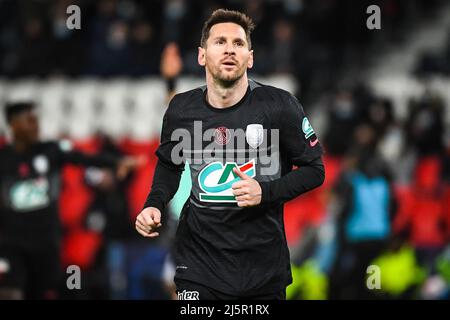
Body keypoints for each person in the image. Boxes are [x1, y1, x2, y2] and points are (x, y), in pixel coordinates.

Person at [135, 9, 325, 300]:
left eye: (238, 43)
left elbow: (315, 170)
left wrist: (266, 191)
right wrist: (154, 204)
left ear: (250, 57)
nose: (229, 49)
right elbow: (169, 167)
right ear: (202, 56)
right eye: (220, 41)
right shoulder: (182, 110)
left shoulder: (280, 106)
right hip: (198, 266)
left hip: (262, 270)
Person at [0, 102, 141, 299]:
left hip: (47, 240)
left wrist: (115, 162)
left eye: (36, 120)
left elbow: (82, 158)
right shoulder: (4, 159)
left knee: (56, 286)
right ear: (13, 125)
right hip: (13, 242)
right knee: (10, 290)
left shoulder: (50, 152)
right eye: (29, 121)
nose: (35, 125)